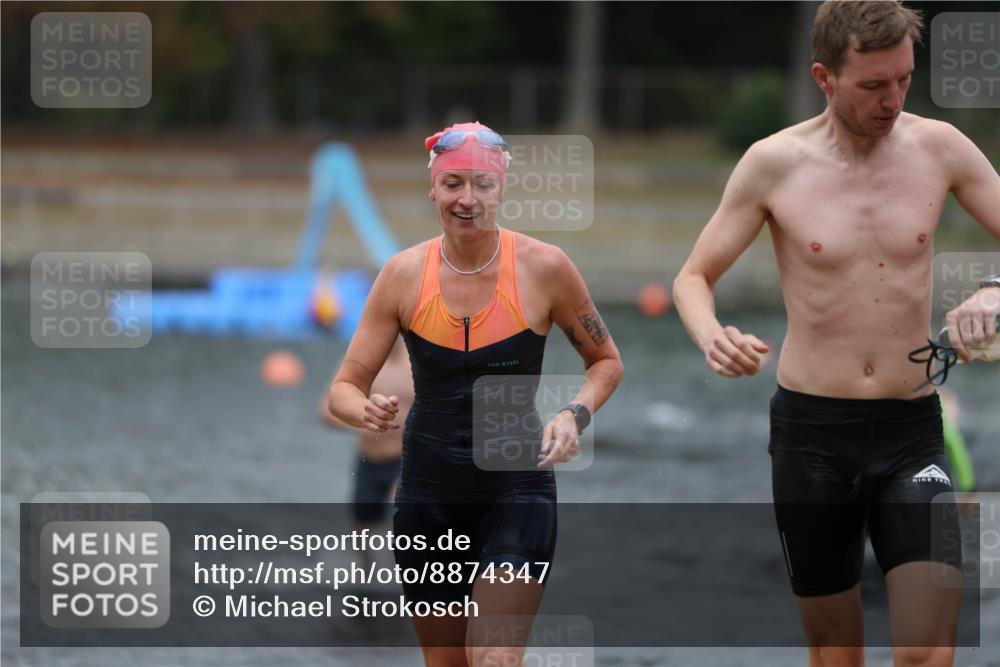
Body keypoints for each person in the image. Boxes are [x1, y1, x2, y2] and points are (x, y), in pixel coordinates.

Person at [672, 2, 999, 666]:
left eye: (904, 79)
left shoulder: (940, 149)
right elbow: (693, 276)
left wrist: (996, 292)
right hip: (812, 437)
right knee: (834, 648)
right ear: (825, 76)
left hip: (912, 430)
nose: (893, 99)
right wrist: (711, 335)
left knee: (927, 649)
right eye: (874, 85)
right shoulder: (774, 164)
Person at [328, 121, 623, 667]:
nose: (467, 199)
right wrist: (365, 411)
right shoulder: (402, 275)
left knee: (495, 658)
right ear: (433, 189)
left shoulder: (545, 268)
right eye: (453, 184)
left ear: (502, 189)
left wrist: (573, 415)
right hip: (427, 492)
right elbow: (343, 389)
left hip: (516, 487)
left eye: (482, 185)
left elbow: (605, 362)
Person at [319, 336, 413, 535]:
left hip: (406, 461)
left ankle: (405, 562)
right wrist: (362, 423)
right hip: (369, 461)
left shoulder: (418, 361)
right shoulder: (359, 364)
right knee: (363, 528)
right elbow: (326, 411)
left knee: (400, 515)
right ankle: (366, 566)